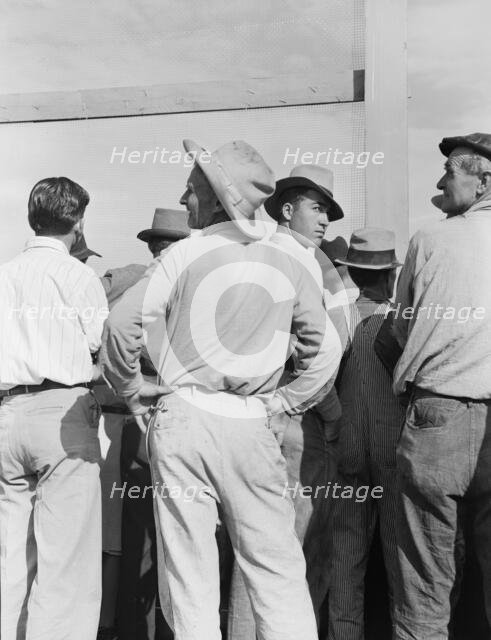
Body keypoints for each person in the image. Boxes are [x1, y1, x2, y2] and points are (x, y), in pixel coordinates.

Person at [100, 139, 342, 640]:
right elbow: (326, 353)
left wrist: (131, 391)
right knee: (276, 568)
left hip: (183, 418)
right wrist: (287, 402)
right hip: (253, 421)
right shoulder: (289, 263)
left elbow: (120, 328)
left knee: (190, 572)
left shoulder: (181, 255)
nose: (184, 199)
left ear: (213, 199)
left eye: (191, 191)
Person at [227, 163, 347, 639]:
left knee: (254, 551)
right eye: (317, 209)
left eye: (328, 214)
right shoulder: (298, 261)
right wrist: (326, 414)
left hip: (253, 417)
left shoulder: (257, 253)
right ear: (289, 208)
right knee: (288, 554)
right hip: (293, 423)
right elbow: (322, 352)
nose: (324, 222)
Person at [391, 133, 491, 639]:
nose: (438, 181)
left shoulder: (430, 238)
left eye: (449, 172)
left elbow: (399, 329)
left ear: (483, 182)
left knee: (425, 576)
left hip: (438, 415)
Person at [0, 177, 108, 640]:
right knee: (66, 563)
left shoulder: (4, 273)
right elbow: (102, 347)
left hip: (9, 413)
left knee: (11, 558)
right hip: (63, 410)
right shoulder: (79, 276)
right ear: (78, 223)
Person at [110, 208, 189, 640]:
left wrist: (129, 386)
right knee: (180, 540)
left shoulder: (140, 282)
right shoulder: (191, 283)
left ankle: (133, 632)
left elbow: (115, 335)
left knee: (137, 539)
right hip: (179, 410)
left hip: (140, 411)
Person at [327, 227, 405, 640]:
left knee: (345, 559)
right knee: (402, 563)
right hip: (394, 451)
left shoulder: (339, 318)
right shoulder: (400, 320)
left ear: (354, 274)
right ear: (391, 275)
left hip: (347, 447)